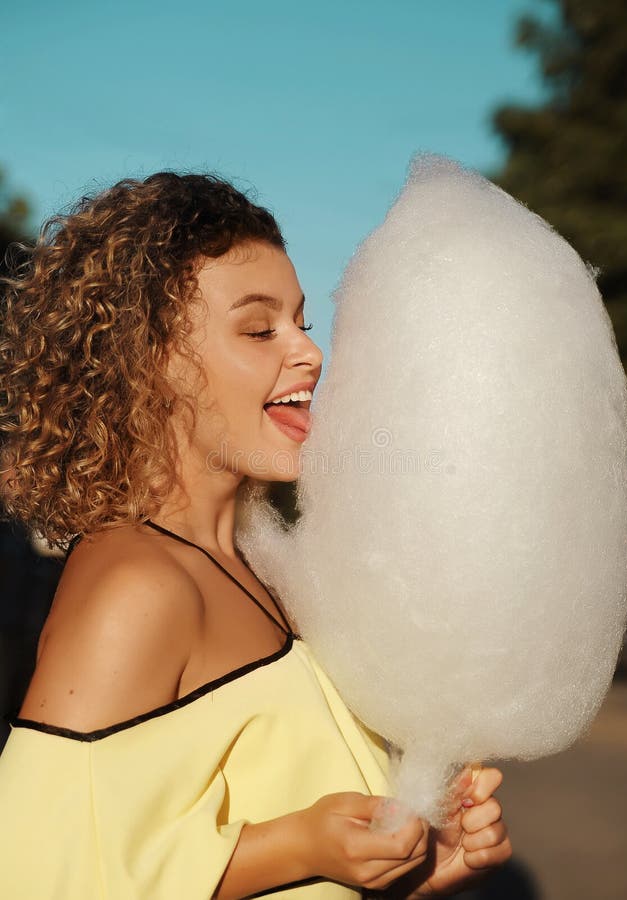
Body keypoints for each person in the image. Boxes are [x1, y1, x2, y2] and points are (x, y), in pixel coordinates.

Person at [0, 172, 512, 899]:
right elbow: (39, 868)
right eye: (258, 328)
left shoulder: (265, 571)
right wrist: (294, 847)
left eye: (302, 322)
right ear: (149, 365)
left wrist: (420, 866)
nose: (309, 353)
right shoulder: (139, 586)